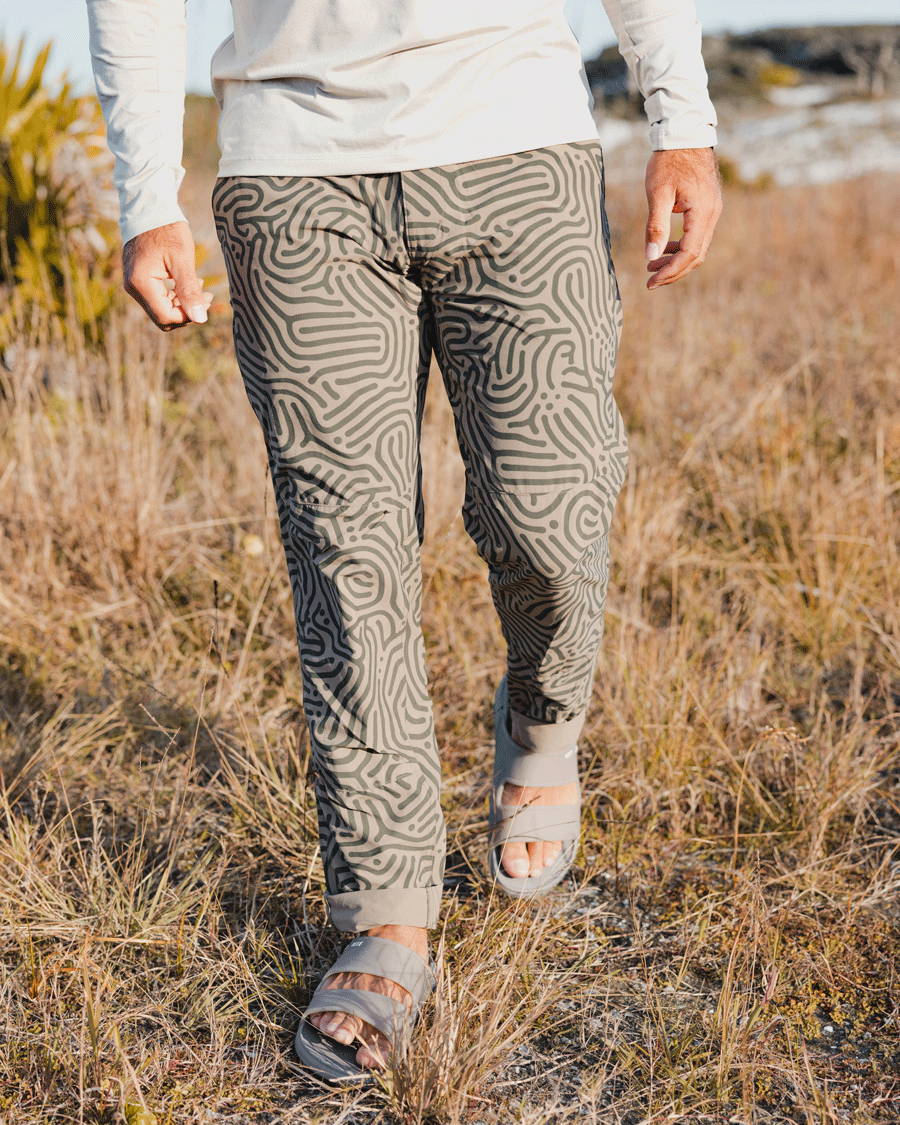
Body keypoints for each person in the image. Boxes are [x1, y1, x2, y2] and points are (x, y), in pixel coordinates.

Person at [87, 0, 721, 1083]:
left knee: (553, 510)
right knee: (347, 550)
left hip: (517, 142)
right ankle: (385, 911)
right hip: (295, 171)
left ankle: (543, 711)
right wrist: (147, 197)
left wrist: (684, 117)